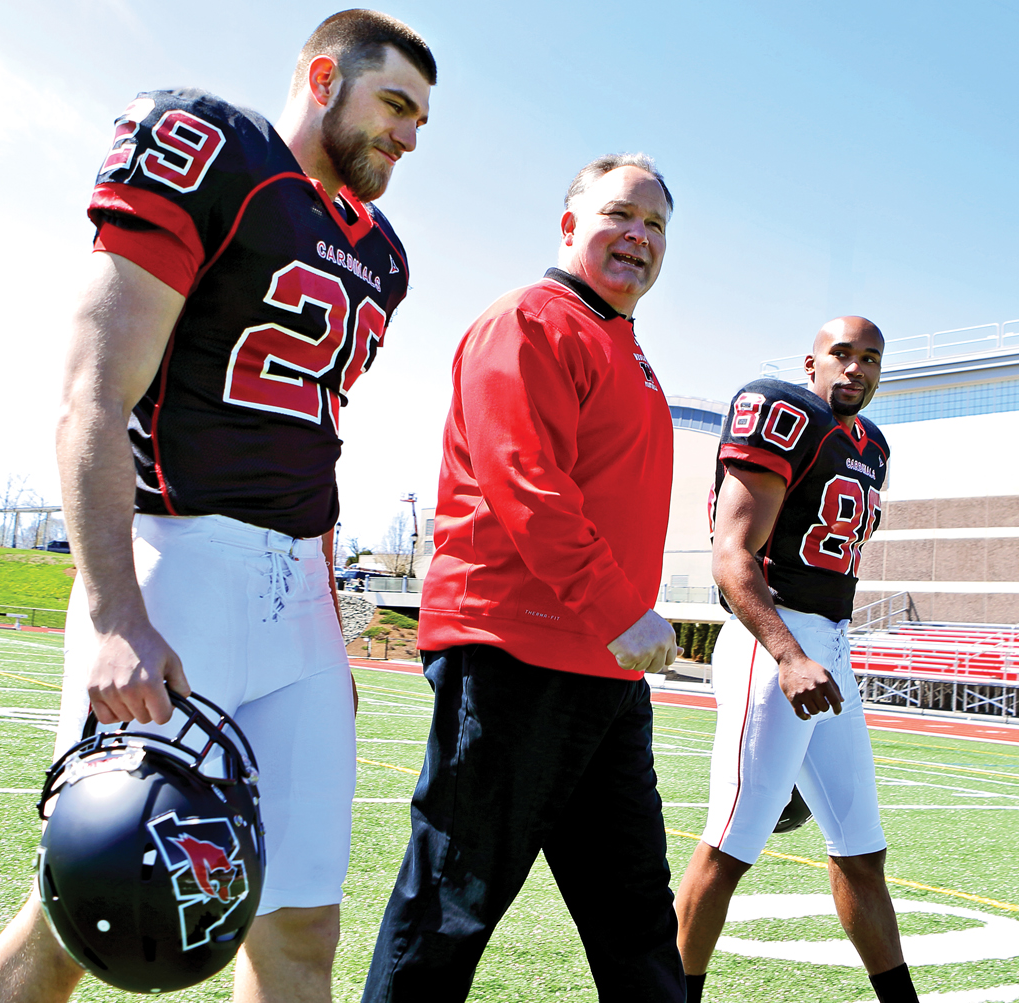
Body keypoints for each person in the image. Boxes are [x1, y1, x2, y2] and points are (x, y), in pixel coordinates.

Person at [0, 11, 435, 1003]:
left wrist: (330, 637)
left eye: (421, 118)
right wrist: (113, 612)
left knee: (301, 920)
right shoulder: (213, 147)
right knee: (86, 905)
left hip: (298, 600)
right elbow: (94, 390)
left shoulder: (381, 255)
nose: (408, 133)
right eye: (394, 102)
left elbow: (311, 439)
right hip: (177, 570)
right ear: (321, 77)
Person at [360, 154, 684, 1002]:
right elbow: (525, 485)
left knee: (639, 918)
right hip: (519, 656)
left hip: (604, 670)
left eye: (656, 225)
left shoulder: (627, 347)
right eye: (622, 214)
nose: (639, 237)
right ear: (570, 223)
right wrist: (622, 608)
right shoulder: (528, 322)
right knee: (449, 910)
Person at [675, 318, 921, 1003]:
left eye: (871, 358)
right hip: (773, 641)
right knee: (729, 844)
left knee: (861, 850)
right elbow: (732, 555)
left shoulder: (872, 445)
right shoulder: (782, 411)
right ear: (810, 360)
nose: (856, 370)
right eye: (842, 354)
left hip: (830, 648)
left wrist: (817, 655)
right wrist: (786, 652)